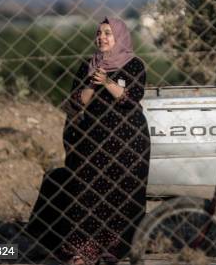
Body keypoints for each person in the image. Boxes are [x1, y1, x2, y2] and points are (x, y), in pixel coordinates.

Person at [27, 17, 150, 265]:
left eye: (107, 33)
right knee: (88, 193)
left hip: (128, 143)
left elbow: (130, 98)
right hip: (93, 140)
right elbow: (76, 102)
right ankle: (81, 251)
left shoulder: (134, 64)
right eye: (99, 33)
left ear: (119, 37)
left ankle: (112, 250)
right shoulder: (87, 66)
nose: (102, 37)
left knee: (122, 194)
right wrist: (93, 84)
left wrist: (107, 82)